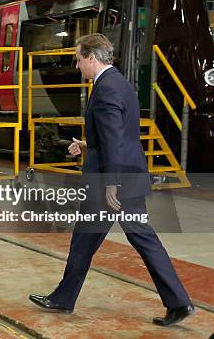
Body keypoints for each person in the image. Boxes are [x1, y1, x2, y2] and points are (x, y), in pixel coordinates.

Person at [28, 33, 194, 326]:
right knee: (107, 239)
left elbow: (115, 141)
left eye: (79, 60)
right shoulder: (119, 82)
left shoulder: (104, 90)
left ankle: (178, 302)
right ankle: (177, 302)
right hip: (124, 176)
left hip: (111, 183)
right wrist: (87, 145)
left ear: (91, 58)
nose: (77, 66)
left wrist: (112, 185)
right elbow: (116, 137)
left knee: (125, 238)